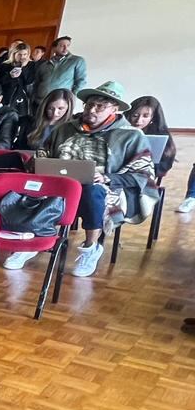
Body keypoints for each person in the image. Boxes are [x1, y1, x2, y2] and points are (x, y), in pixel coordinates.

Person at [43, 81, 156, 279]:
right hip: (60, 182)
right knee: (30, 186)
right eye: (89, 105)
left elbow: (143, 174)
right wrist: (41, 163)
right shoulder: (66, 129)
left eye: (100, 106)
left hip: (106, 187)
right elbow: (44, 152)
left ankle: (90, 247)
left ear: (114, 109)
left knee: (92, 191)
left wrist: (107, 177)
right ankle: (34, 237)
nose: (92, 110)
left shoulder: (130, 135)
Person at [127, 95, 175, 179]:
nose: (139, 120)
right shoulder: (119, 130)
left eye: (145, 116)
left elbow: (164, 166)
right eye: (135, 115)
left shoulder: (161, 135)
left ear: (153, 118)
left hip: (144, 176)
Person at [32, 35, 88, 101]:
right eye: (62, 46)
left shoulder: (77, 61)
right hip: (40, 101)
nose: (65, 48)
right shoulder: (45, 64)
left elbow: (81, 81)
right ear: (54, 48)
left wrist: (71, 97)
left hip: (61, 102)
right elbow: (37, 83)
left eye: (68, 45)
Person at [18, 88, 74, 153]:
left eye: (60, 108)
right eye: (51, 108)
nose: (55, 113)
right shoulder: (30, 123)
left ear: (68, 108)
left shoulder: (72, 128)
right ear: (45, 107)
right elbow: (21, 149)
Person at [0, 42, 36, 119]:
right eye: (19, 54)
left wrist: (24, 67)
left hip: (22, 96)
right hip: (6, 95)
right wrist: (10, 76)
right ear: (14, 54)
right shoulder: (5, 65)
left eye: (25, 54)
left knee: (20, 118)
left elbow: (29, 81)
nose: (22, 57)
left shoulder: (31, 65)